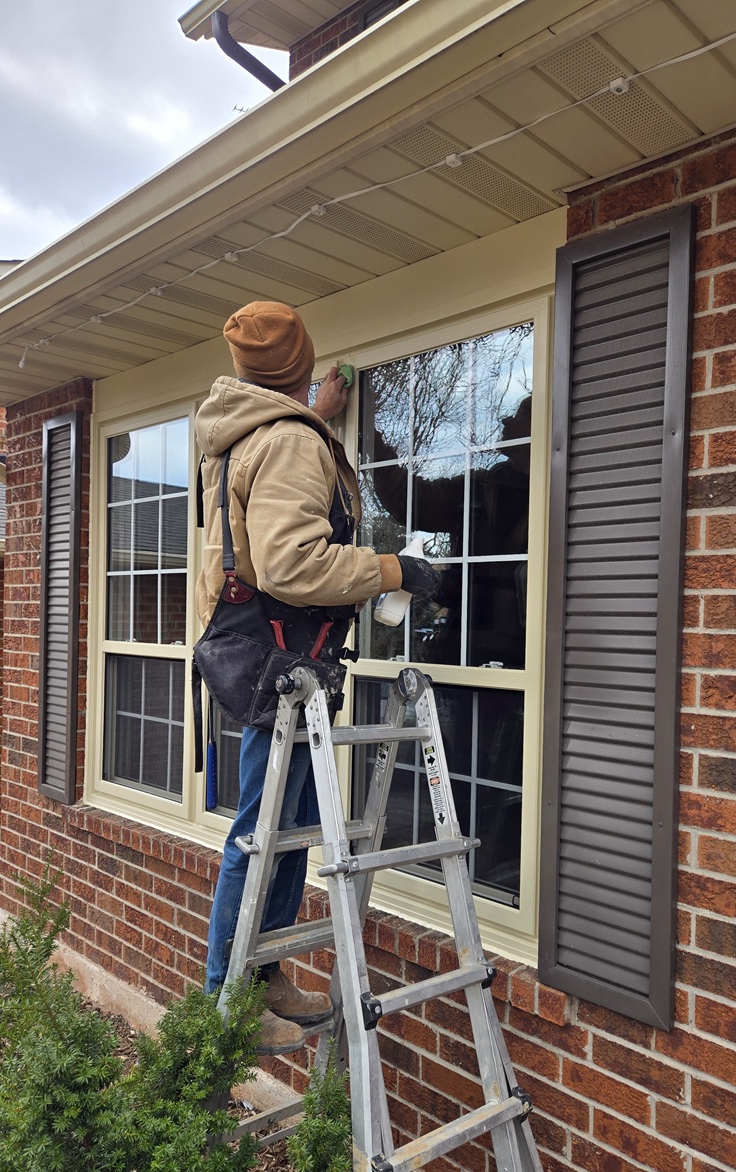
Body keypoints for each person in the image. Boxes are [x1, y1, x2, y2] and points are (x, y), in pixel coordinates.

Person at [196, 300, 440, 1054]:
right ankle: (224, 999)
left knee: (289, 827)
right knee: (259, 833)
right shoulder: (291, 445)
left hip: (271, 656)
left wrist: (316, 414)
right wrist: (395, 568)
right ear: (300, 365)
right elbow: (290, 562)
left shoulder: (249, 431)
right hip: (280, 661)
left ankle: (262, 973)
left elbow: (271, 511)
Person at [370, 396, 531, 668]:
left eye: (520, 414)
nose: (506, 420)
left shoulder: (555, 492)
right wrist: (374, 446)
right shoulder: (478, 488)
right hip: (465, 645)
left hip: (525, 653)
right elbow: (409, 501)